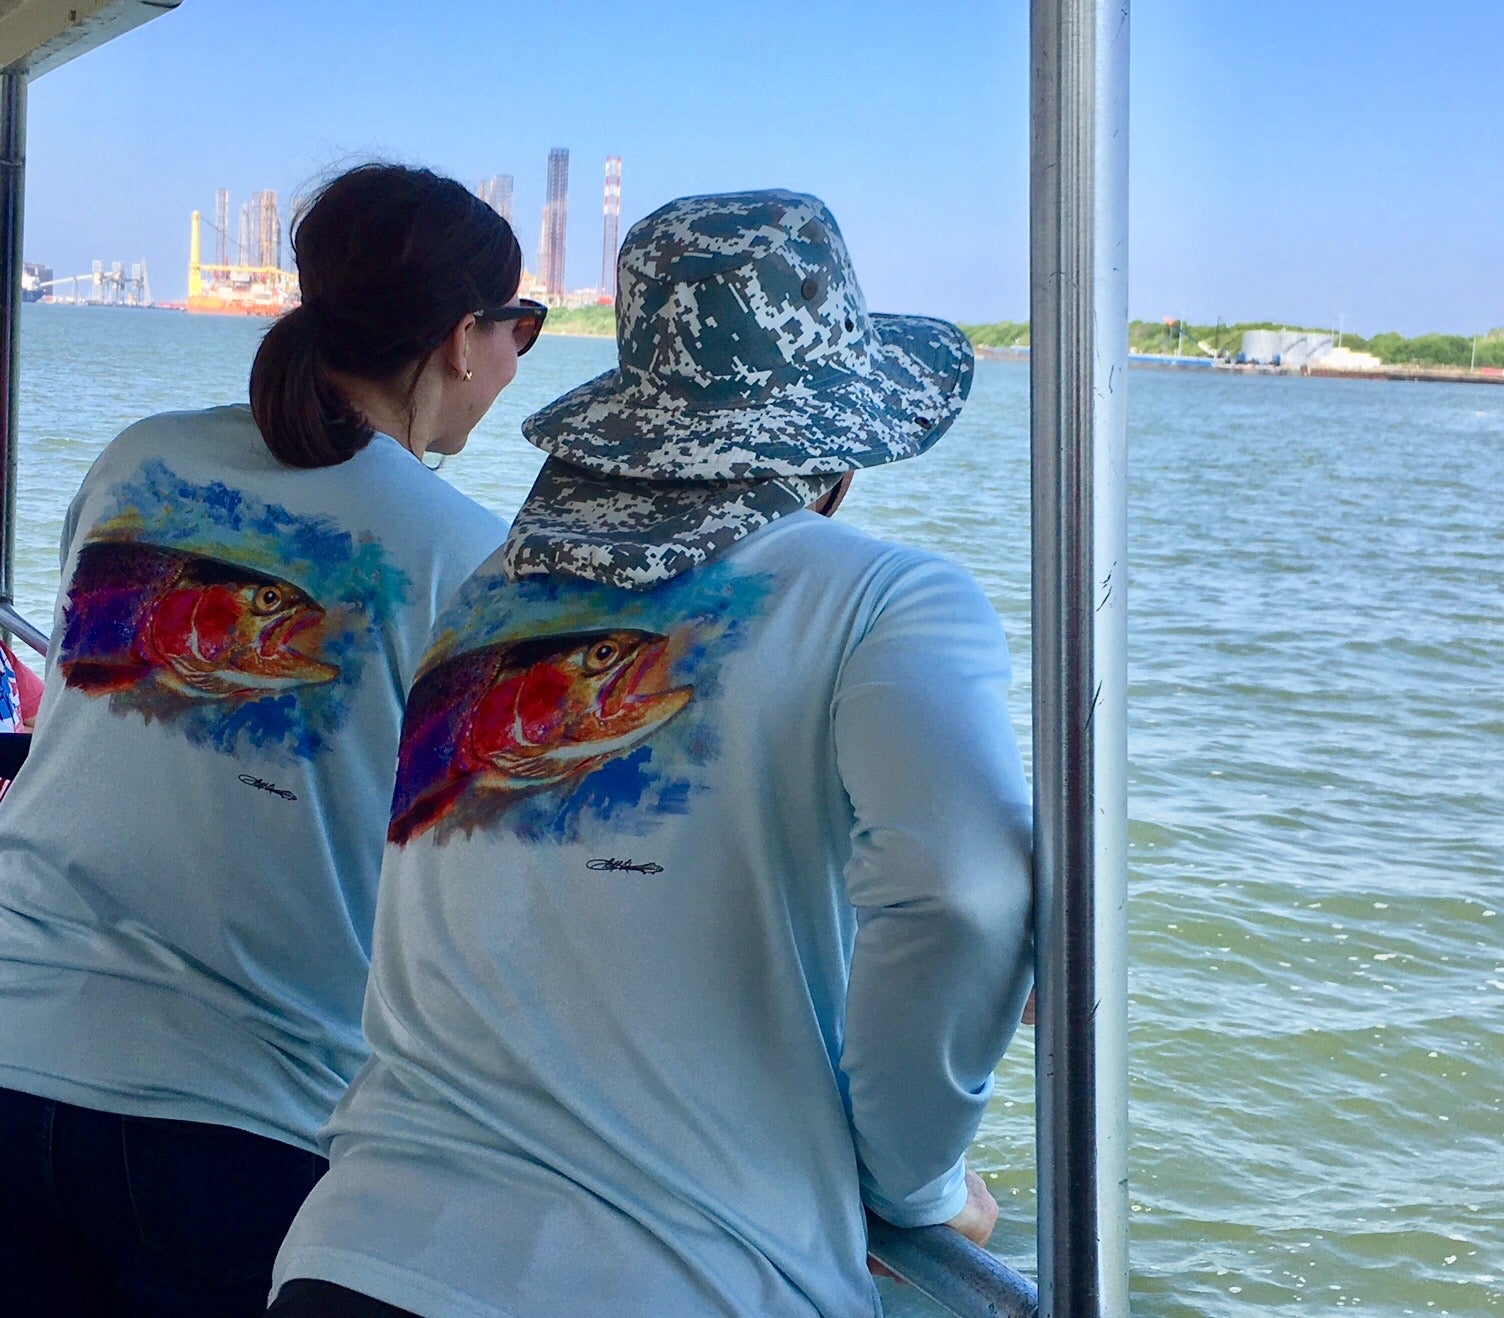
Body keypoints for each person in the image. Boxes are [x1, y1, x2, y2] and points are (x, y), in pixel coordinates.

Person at [270, 190, 1033, 1317]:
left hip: (356, 1261)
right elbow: (964, 895)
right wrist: (911, 1188)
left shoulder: (484, 602)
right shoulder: (882, 595)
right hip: (675, 1276)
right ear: (845, 446)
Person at [0, 162, 544, 1316]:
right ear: (462, 337)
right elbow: (491, 890)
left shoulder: (135, 460)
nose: (514, 361)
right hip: (238, 1116)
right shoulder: (465, 560)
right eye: (522, 329)